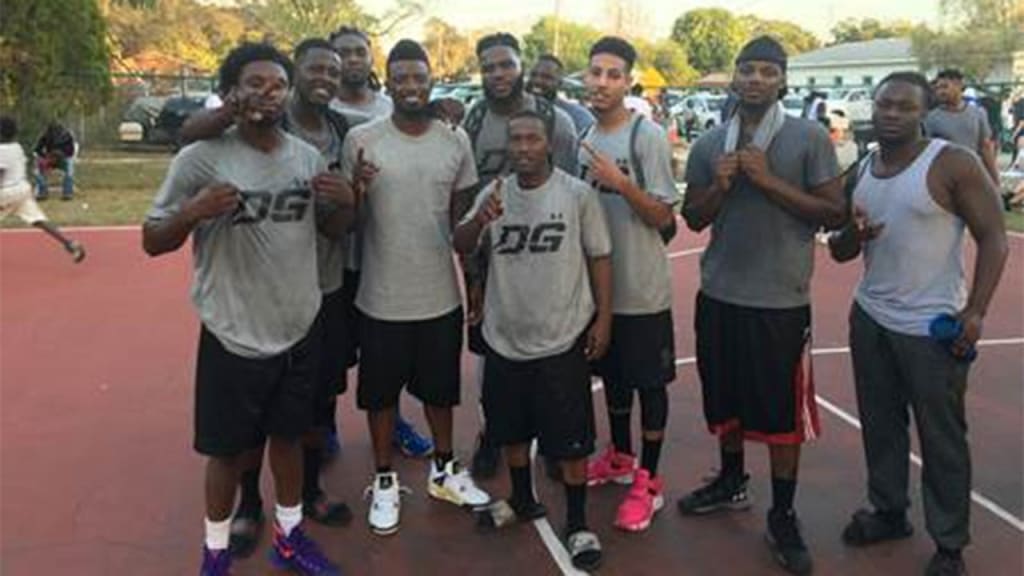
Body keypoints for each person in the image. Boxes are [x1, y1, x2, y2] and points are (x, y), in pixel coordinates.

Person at [142, 42, 352, 576]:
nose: (268, 93)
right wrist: (193, 211)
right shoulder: (201, 158)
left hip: (298, 324)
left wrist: (349, 201)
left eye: (278, 84)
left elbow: (329, 230)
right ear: (231, 91)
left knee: (289, 438)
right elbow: (152, 239)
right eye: (255, 83)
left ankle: (290, 537)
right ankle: (214, 554)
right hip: (233, 329)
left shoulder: (305, 157)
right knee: (227, 451)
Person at [829, 71, 1008, 576]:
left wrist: (976, 311)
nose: (891, 114)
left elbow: (995, 237)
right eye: (884, 104)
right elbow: (840, 249)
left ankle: (949, 544)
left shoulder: (952, 163)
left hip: (931, 326)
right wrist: (854, 234)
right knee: (880, 424)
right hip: (871, 317)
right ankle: (888, 510)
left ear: (924, 113)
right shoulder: (863, 167)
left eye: (904, 107)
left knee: (941, 437)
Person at [679, 36, 846, 576]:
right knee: (724, 399)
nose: (755, 79)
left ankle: (783, 512)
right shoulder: (711, 143)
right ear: (734, 76)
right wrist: (721, 185)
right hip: (720, 293)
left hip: (779, 300)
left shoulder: (808, 137)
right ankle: (731, 480)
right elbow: (694, 217)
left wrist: (767, 181)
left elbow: (834, 213)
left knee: (780, 416)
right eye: (747, 70)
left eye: (766, 72)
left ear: (782, 80)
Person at [455, 108, 613, 571]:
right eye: (516, 139)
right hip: (505, 335)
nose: (523, 147)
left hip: (561, 337)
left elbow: (600, 256)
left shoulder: (576, 194)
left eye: (532, 139)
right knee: (511, 431)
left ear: (548, 144)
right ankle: (522, 499)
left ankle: (578, 523)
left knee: (571, 443)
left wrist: (604, 319)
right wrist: (479, 221)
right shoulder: (494, 193)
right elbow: (460, 242)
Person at [344, 39, 489, 536]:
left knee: (441, 392)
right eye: (401, 77)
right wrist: (357, 190)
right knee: (380, 396)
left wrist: (473, 283)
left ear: (431, 82)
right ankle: (384, 478)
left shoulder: (455, 140)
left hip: (438, 295)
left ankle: (444, 470)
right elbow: (349, 220)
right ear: (388, 81)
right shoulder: (362, 139)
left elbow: (462, 223)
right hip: (380, 296)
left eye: (419, 78)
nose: (411, 86)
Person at [462, 32, 579, 479]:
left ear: (521, 66)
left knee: (551, 347)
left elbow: (571, 195)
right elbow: (465, 197)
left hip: (546, 251)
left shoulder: (555, 121)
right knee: (491, 351)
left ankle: (552, 440)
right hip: (493, 258)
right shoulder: (473, 121)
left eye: (505, 65)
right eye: (488, 67)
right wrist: (471, 269)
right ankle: (493, 432)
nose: (497, 74)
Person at [577, 36, 679, 533]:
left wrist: (620, 183)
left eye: (613, 74)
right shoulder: (583, 137)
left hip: (642, 289)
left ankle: (650, 479)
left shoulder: (647, 136)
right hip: (601, 293)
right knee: (613, 378)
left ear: (627, 82)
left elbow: (663, 217)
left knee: (649, 385)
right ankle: (619, 456)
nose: (601, 82)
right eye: (595, 72)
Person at [328, 26, 434, 460]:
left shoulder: (392, 106)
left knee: (387, 358)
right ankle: (323, 423)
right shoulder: (321, 105)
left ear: (373, 60)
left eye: (360, 51)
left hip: (387, 258)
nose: (353, 59)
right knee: (334, 354)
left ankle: (395, 425)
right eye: (343, 53)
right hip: (338, 257)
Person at [0, 116, 85, 262]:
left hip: (7, 192)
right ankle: (70, 243)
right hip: (23, 191)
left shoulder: (1, 150)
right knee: (39, 220)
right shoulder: (17, 147)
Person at [925, 69, 1000, 185]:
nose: (940, 92)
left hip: (973, 175)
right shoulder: (930, 118)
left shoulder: (978, 113)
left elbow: (985, 148)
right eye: (937, 88)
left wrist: (995, 180)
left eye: (945, 87)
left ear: (958, 85)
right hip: (945, 178)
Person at [527, 53, 596, 137]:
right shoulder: (516, 109)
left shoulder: (577, 116)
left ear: (560, 83)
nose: (537, 80)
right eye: (533, 75)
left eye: (546, 77)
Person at [33, 121, 76, 201]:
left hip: (63, 159)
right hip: (50, 159)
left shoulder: (67, 136)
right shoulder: (45, 136)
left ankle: (67, 193)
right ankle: (42, 192)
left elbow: (71, 152)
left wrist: (60, 155)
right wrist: (45, 157)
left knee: (70, 170)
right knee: (37, 171)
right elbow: (37, 149)